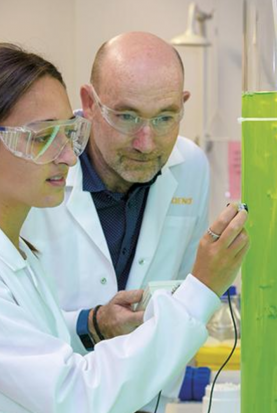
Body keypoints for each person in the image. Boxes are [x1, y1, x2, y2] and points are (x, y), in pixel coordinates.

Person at [0, 43, 249, 413]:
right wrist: (201, 290)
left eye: (68, 132)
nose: (69, 156)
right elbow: (75, 395)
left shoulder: (13, 252)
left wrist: (94, 325)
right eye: (42, 137)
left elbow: (33, 347)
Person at [22, 32, 211, 350]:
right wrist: (90, 324)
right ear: (89, 104)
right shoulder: (36, 170)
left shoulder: (190, 166)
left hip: (148, 392)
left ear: (183, 104)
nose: (146, 143)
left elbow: (182, 292)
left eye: (165, 117)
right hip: (49, 389)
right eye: (126, 116)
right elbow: (6, 323)